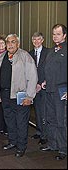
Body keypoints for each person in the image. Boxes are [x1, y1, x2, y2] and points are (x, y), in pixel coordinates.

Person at [0, 34, 38, 157]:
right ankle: (12, 141)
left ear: (18, 43)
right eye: (8, 42)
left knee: (21, 122)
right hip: (5, 95)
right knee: (10, 120)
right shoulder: (0, 58)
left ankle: (21, 146)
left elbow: (33, 77)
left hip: (20, 96)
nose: (10, 44)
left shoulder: (25, 56)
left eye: (13, 42)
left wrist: (29, 97)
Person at [40, 24, 67, 160]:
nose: (55, 36)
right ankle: (53, 144)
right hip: (49, 89)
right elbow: (48, 69)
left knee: (61, 120)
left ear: (64, 35)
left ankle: (63, 148)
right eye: (53, 34)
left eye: (58, 34)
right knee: (50, 119)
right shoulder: (51, 51)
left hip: (62, 90)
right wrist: (44, 81)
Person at [29, 32, 49, 145]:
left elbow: (49, 70)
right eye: (34, 40)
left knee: (44, 112)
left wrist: (41, 83)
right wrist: (34, 84)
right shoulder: (30, 53)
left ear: (42, 40)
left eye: (38, 39)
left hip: (44, 87)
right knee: (36, 110)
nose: (36, 42)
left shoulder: (48, 52)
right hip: (33, 87)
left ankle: (45, 135)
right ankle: (39, 131)